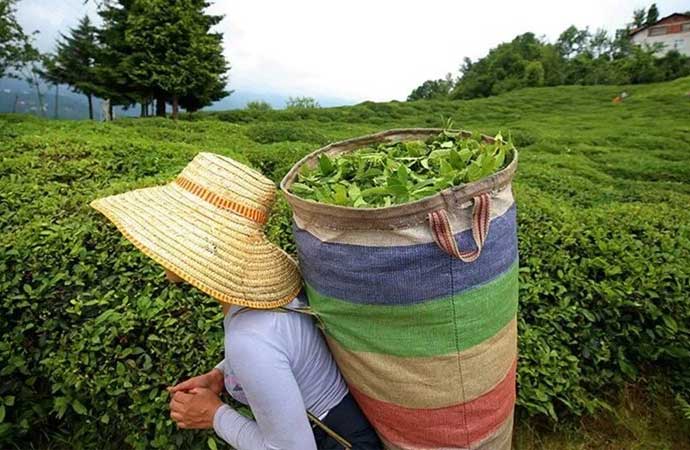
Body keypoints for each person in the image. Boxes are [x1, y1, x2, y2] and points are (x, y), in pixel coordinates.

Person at [90, 152, 382, 450]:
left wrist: (214, 414)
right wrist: (222, 375)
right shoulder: (270, 302)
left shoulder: (249, 339)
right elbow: (284, 351)